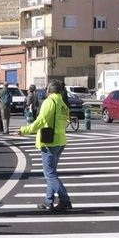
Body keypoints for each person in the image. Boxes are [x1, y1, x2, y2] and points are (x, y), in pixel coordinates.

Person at [20, 78, 73, 213]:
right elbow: (66, 121)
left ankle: (65, 200)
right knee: (52, 173)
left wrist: (24, 130)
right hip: (60, 140)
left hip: (50, 142)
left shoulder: (49, 101)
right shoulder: (62, 102)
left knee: (49, 174)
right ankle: (48, 201)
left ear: (48, 90)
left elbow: (40, 121)